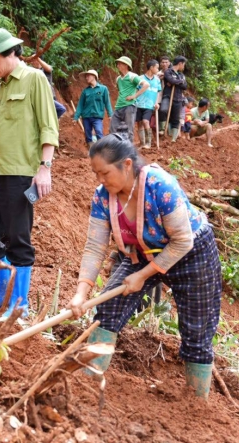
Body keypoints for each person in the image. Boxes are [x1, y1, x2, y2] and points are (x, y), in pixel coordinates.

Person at [67, 134, 222, 399]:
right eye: (96, 174)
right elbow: (95, 247)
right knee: (108, 306)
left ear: (126, 165)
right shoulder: (103, 197)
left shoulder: (161, 186)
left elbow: (182, 242)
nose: (100, 181)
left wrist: (143, 276)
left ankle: (197, 406)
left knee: (197, 330)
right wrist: (81, 293)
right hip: (144, 253)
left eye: (105, 173)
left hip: (192, 253)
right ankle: (87, 385)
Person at [0, 28, 60, 321]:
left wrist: (44, 167)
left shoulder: (34, 79)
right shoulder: (1, 87)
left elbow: (49, 126)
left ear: (8, 53)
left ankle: (19, 305)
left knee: (17, 238)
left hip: (21, 172)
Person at [111, 56, 149, 142]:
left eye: (120, 64)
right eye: (118, 64)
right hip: (118, 106)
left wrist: (134, 96)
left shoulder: (132, 76)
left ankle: (128, 151)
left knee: (129, 130)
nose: (118, 65)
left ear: (126, 65)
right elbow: (120, 91)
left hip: (129, 106)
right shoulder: (118, 79)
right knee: (113, 129)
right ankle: (116, 149)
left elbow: (146, 85)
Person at [74, 70, 113, 148]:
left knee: (98, 131)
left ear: (94, 76)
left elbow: (107, 102)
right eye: (86, 76)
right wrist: (76, 117)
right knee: (88, 134)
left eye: (88, 76)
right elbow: (80, 105)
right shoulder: (85, 91)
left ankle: (101, 149)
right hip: (86, 116)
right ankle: (91, 149)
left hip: (97, 116)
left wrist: (110, 114)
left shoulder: (103, 89)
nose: (86, 77)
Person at [135, 59, 162, 149]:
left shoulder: (157, 80)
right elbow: (136, 90)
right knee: (139, 124)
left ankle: (148, 143)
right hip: (139, 104)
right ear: (151, 67)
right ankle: (142, 143)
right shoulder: (140, 78)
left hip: (149, 106)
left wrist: (157, 103)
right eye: (157, 68)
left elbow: (158, 92)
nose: (158, 70)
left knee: (146, 121)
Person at [163, 56, 189, 142]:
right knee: (163, 110)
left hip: (178, 98)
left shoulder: (181, 75)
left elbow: (185, 86)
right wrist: (179, 81)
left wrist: (175, 81)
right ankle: (163, 131)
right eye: (183, 64)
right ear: (180, 63)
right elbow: (171, 80)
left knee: (175, 118)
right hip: (168, 96)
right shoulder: (168, 71)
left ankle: (173, 138)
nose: (183, 67)